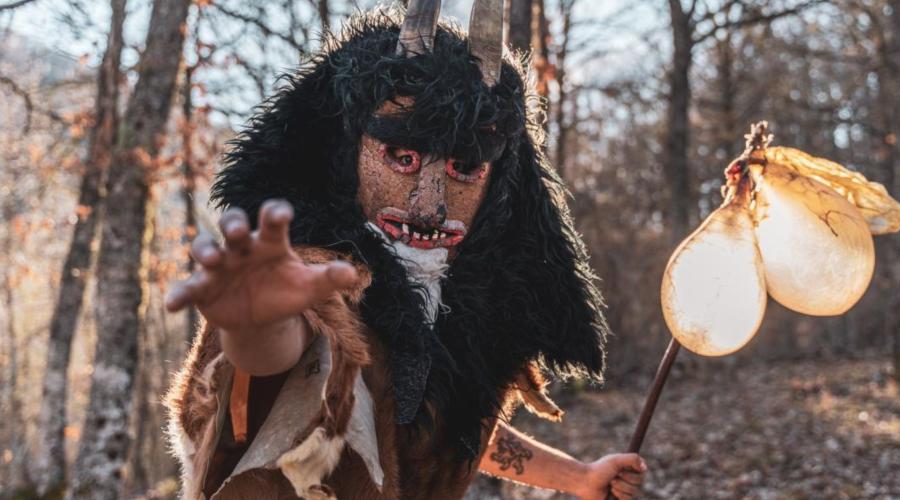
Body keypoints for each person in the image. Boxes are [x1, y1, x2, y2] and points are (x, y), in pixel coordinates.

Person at [164, 1, 647, 498]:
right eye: (403, 157)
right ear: (345, 152)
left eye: (464, 168)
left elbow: (439, 428)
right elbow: (273, 385)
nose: (431, 204)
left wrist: (579, 477)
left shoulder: (454, 309)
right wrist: (254, 326)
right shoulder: (307, 279)